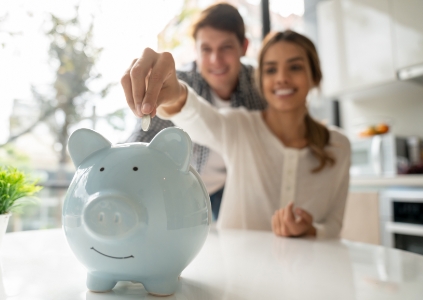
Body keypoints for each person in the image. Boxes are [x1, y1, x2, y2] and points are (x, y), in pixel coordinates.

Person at [121, 30, 351, 239]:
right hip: (237, 275)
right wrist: (173, 93)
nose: (282, 78)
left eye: (295, 67)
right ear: (260, 81)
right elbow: (196, 115)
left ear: (315, 75)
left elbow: (333, 226)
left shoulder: (339, 146)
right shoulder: (240, 127)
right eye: (271, 69)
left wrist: (310, 230)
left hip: (308, 274)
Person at [125, 3, 265, 220]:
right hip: (188, 194)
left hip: (240, 191)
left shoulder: (260, 86)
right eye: (206, 49)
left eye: (225, 48)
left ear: (244, 47)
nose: (215, 60)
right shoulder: (178, 84)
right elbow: (143, 139)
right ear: (196, 50)